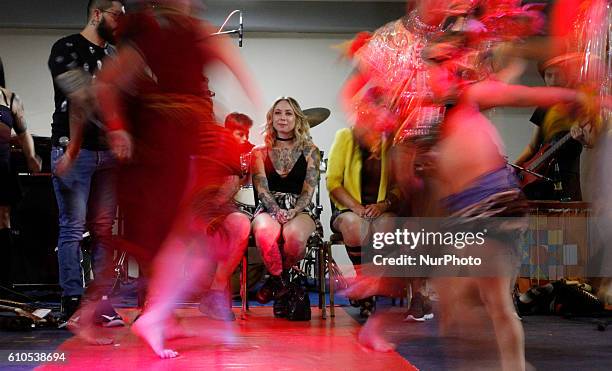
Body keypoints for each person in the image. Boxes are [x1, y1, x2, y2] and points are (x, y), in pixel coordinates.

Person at [95, 0, 260, 356]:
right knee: (187, 239)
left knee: (191, 240)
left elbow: (226, 59)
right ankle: (158, 316)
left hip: (190, 147)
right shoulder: (155, 37)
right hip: (173, 150)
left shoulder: (189, 34)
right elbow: (107, 83)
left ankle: (160, 317)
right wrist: (118, 129)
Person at [47, 0, 124, 326]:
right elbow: (82, 99)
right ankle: (73, 300)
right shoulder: (66, 48)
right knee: (73, 228)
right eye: (116, 16)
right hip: (74, 152)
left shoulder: (115, 55)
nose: (121, 23)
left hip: (107, 154)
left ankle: (102, 302)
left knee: (104, 230)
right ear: (97, 14)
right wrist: (73, 150)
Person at [326, 91, 400, 318]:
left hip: (381, 209)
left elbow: (399, 187)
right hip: (348, 209)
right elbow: (333, 182)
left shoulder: (391, 142)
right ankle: (367, 290)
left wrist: (383, 205)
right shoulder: (345, 137)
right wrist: (357, 207)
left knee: (387, 226)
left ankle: (366, 286)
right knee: (355, 226)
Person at [251, 97, 320, 317]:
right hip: (269, 206)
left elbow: (309, 191)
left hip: (299, 208)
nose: (283, 118)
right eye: (278, 113)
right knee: (263, 233)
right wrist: (275, 210)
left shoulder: (311, 150)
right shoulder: (259, 152)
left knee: (296, 239)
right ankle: (285, 287)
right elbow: (261, 189)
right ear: (271, 118)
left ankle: (276, 281)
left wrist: (293, 210)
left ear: (297, 118)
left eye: (288, 113)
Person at [515, 58, 594, 201]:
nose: (553, 79)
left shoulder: (578, 106)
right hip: (540, 178)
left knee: (567, 219)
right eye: (548, 75)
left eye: (557, 74)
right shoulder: (543, 107)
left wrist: (581, 138)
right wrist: (514, 167)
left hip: (568, 176)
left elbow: (591, 142)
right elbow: (532, 146)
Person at [0, 57, 42, 287]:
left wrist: (31, 157)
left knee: (3, 219)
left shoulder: (9, 97)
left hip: (2, 165)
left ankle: (3, 284)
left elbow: (24, 133)